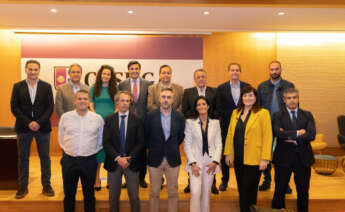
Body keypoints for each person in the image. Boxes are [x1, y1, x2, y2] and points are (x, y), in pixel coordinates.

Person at [10, 60, 54, 199]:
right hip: (24, 128)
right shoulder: (17, 86)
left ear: (39, 71)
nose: (33, 72)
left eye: (35, 69)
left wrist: (38, 123)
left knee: (45, 157)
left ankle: (46, 185)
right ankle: (22, 187)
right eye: (30, 69)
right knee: (23, 158)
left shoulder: (46, 86)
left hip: (43, 128)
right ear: (26, 69)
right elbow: (14, 107)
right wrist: (29, 122)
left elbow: (50, 107)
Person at [224, 86, 273, 212]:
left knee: (249, 188)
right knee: (242, 189)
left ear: (255, 97)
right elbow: (230, 134)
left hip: (255, 158)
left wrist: (265, 158)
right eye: (245, 95)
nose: (248, 98)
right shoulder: (235, 112)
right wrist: (228, 154)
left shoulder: (263, 113)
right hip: (238, 158)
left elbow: (268, 137)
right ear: (241, 98)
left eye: (251, 95)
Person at [58, 90, 104, 212]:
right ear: (75, 101)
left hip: (89, 161)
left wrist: (91, 150)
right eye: (79, 99)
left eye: (85, 99)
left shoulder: (97, 118)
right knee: (69, 194)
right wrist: (70, 150)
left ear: (89, 101)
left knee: (89, 195)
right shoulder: (65, 117)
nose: (82, 101)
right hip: (69, 160)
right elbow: (61, 137)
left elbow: (101, 139)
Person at [272, 88, 316, 212]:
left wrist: (290, 136)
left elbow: (311, 134)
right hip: (283, 159)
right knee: (279, 191)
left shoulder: (307, 114)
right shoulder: (277, 115)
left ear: (298, 98)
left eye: (294, 97)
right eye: (289, 98)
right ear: (284, 100)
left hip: (303, 159)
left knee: (303, 192)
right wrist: (298, 133)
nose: (292, 100)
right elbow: (278, 134)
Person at [103, 91, 145, 212]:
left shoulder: (137, 120)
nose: (125, 103)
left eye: (127, 101)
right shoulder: (109, 119)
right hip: (114, 163)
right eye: (122, 100)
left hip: (131, 163)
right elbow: (106, 142)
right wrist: (118, 158)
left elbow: (141, 142)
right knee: (113, 197)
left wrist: (129, 158)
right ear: (117, 102)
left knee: (134, 197)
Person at [145, 88, 185, 212]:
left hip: (172, 158)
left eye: (168, 97)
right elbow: (146, 135)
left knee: (173, 192)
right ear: (159, 99)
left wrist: (170, 147)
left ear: (173, 100)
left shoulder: (179, 116)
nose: (166, 100)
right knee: (154, 192)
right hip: (154, 159)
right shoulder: (150, 115)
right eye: (163, 97)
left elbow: (180, 136)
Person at [257, 60, 295, 193]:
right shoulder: (261, 86)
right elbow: (258, 107)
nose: (274, 72)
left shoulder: (289, 85)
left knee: (284, 154)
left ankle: (285, 183)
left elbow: (294, 104)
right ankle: (266, 180)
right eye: (272, 69)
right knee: (265, 153)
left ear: (281, 70)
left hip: (283, 126)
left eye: (276, 69)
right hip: (266, 124)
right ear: (269, 71)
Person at [182, 68, 220, 194]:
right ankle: (190, 183)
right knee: (193, 154)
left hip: (210, 127)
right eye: (198, 77)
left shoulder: (214, 91)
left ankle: (212, 184)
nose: (201, 79)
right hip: (193, 127)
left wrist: (208, 118)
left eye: (203, 76)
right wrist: (196, 117)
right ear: (195, 79)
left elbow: (217, 110)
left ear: (206, 78)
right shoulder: (188, 92)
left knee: (211, 153)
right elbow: (185, 110)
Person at [184, 96, 222, 212]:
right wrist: (193, 163)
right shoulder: (190, 123)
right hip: (195, 162)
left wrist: (215, 161)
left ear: (208, 106)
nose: (201, 106)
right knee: (195, 192)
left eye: (204, 104)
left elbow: (219, 143)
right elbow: (187, 144)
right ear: (196, 108)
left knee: (206, 193)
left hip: (210, 162)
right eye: (199, 104)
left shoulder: (215, 123)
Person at [217, 62, 250, 191]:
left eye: (237, 70)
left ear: (240, 72)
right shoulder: (221, 88)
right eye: (232, 70)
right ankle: (225, 180)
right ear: (228, 72)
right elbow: (219, 106)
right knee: (225, 153)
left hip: (244, 125)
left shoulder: (247, 87)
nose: (235, 72)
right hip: (226, 125)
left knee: (241, 153)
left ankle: (241, 181)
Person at [118, 60, 151, 188]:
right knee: (128, 149)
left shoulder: (148, 84)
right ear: (128, 70)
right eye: (132, 69)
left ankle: (141, 178)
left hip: (143, 122)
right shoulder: (122, 84)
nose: (134, 71)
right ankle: (128, 178)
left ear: (140, 70)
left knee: (142, 151)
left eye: (136, 68)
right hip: (127, 121)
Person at [89, 65, 117, 190]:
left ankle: (111, 180)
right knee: (98, 153)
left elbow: (118, 105)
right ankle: (96, 179)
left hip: (111, 123)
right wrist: (96, 117)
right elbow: (91, 104)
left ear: (111, 77)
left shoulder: (115, 89)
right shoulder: (93, 88)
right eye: (104, 73)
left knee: (111, 152)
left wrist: (111, 117)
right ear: (100, 75)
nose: (106, 76)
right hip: (96, 124)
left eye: (108, 74)